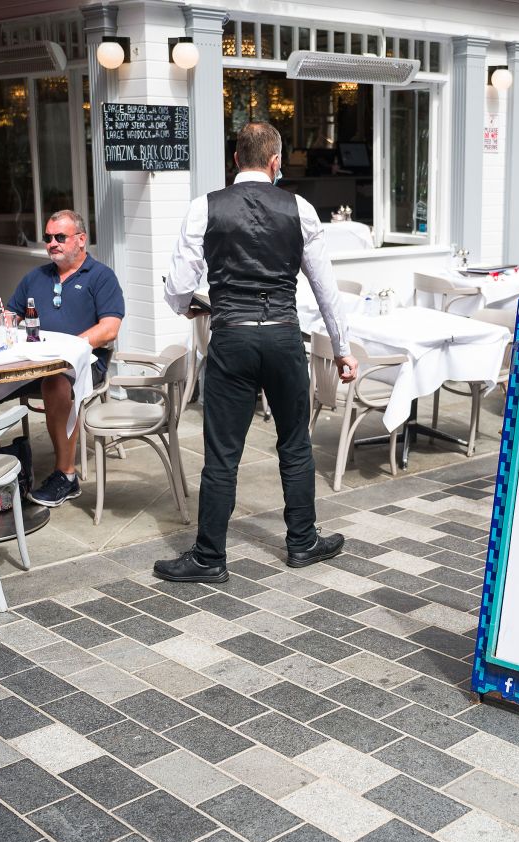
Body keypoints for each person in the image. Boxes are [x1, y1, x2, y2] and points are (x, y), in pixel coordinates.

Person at [159, 121, 356, 584]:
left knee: (223, 452)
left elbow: (180, 287)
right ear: (275, 163)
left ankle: (210, 557)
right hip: (285, 336)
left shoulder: (204, 208)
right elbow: (327, 290)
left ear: (235, 159)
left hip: (232, 336)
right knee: (294, 441)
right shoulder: (301, 209)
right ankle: (303, 542)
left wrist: (187, 308)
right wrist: (343, 349)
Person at [0, 210, 123, 508]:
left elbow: (109, 329)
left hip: (83, 365)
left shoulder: (101, 276)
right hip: (32, 362)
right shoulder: (35, 277)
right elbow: (12, 313)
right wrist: (6, 322)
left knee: (56, 382)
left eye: (59, 237)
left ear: (80, 239)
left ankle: (66, 475)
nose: (52, 243)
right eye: (48, 237)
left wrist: (68, 348)